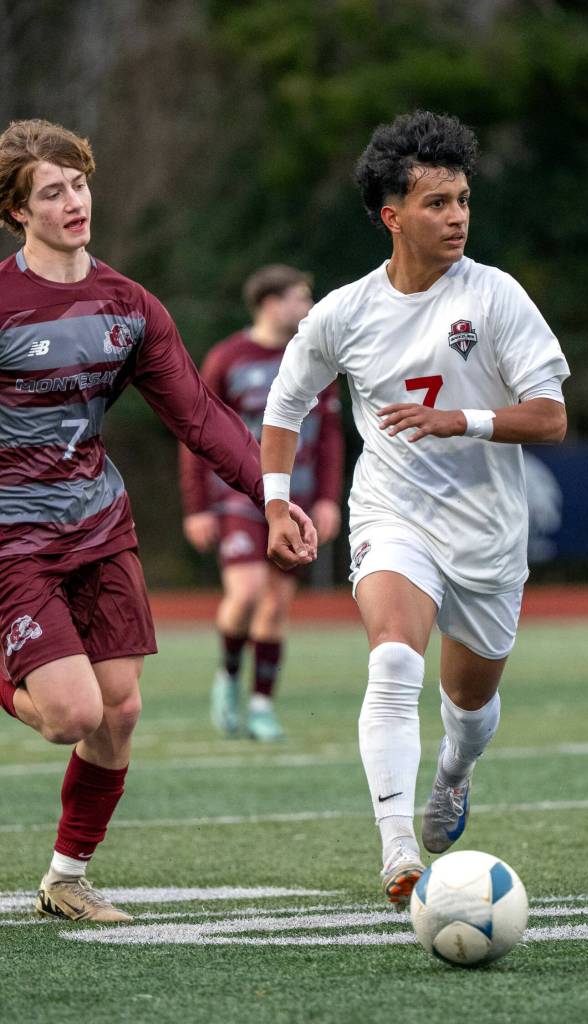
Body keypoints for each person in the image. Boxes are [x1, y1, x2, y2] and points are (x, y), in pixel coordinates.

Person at [0, 118, 315, 923]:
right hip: (12, 540)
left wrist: (271, 496)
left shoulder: (127, 305)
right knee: (70, 713)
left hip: (99, 525)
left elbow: (201, 419)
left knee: (121, 709)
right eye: (52, 192)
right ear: (16, 212)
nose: (74, 202)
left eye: (79, 183)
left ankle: (66, 878)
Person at [260, 110, 569, 908]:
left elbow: (550, 416)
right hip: (392, 511)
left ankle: (453, 774)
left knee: (468, 708)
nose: (457, 216)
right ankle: (398, 849)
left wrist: (458, 419)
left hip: (488, 533)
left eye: (462, 199)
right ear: (392, 215)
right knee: (394, 656)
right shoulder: (343, 312)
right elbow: (285, 405)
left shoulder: (495, 296)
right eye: (437, 203)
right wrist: (276, 502)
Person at [179, 265, 344, 741]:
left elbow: (331, 435)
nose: (309, 308)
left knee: (275, 605)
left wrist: (329, 499)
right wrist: (196, 507)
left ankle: (262, 706)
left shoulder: (315, 357)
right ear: (271, 303)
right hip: (236, 498)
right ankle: (229, 676)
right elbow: (198, 433)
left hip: (298, 499)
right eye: (300, 297)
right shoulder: (228, 357)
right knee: (247, 594)